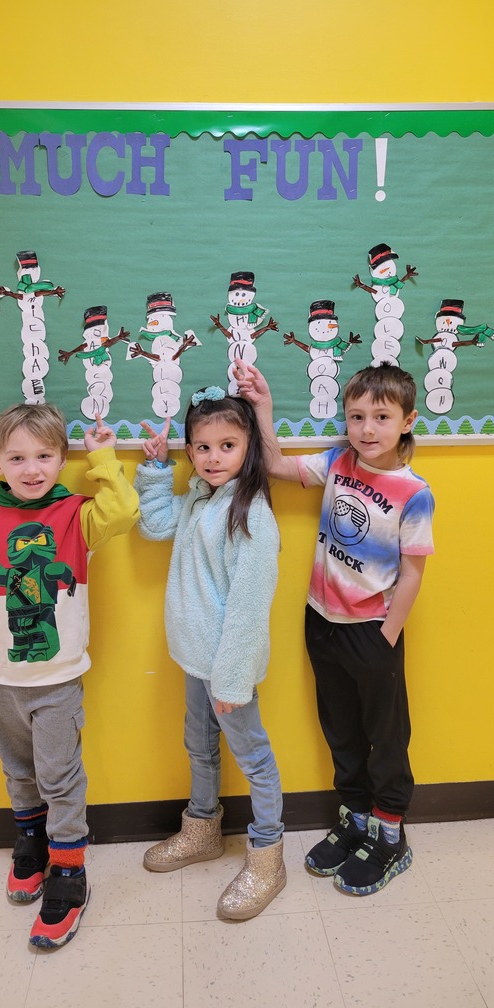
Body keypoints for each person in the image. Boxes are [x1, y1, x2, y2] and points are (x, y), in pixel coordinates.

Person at [0, 404, 139, 948]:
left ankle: (69, 869)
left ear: (62, 459)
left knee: (59, 775)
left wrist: (103, 457)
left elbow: (123, 511)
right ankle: (31, 841)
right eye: (17, 458)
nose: (31, 469)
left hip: (57, 677)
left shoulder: (75, 513)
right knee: (18, 771)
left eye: (44, 456)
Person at [235, 359, 435, 896]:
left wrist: (387, 635)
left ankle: (390, 834)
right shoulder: (339, 461)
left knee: (385, 736)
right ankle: (355, 818)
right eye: (356, 416)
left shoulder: (413, 491)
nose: (367, 429)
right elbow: (274, 464)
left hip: (372, 630)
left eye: (381, 417)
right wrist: (262, 406)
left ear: (407, 421)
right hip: (320, 621)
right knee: (340, 729)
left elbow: (413, 573)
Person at [135, 386, 286, 920]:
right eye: (202, 447)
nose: (214, 457)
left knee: (254, 758)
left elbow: (249, 607)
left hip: (227, 669)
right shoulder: (200, 498)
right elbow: (156, 524)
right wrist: (157, 470)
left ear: (248, 447)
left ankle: (267, 856)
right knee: (198, 746)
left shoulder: (251, 514)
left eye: (227, 445)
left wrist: (232, 680)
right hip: (194, 658)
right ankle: (202, 829)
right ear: (191, 451)